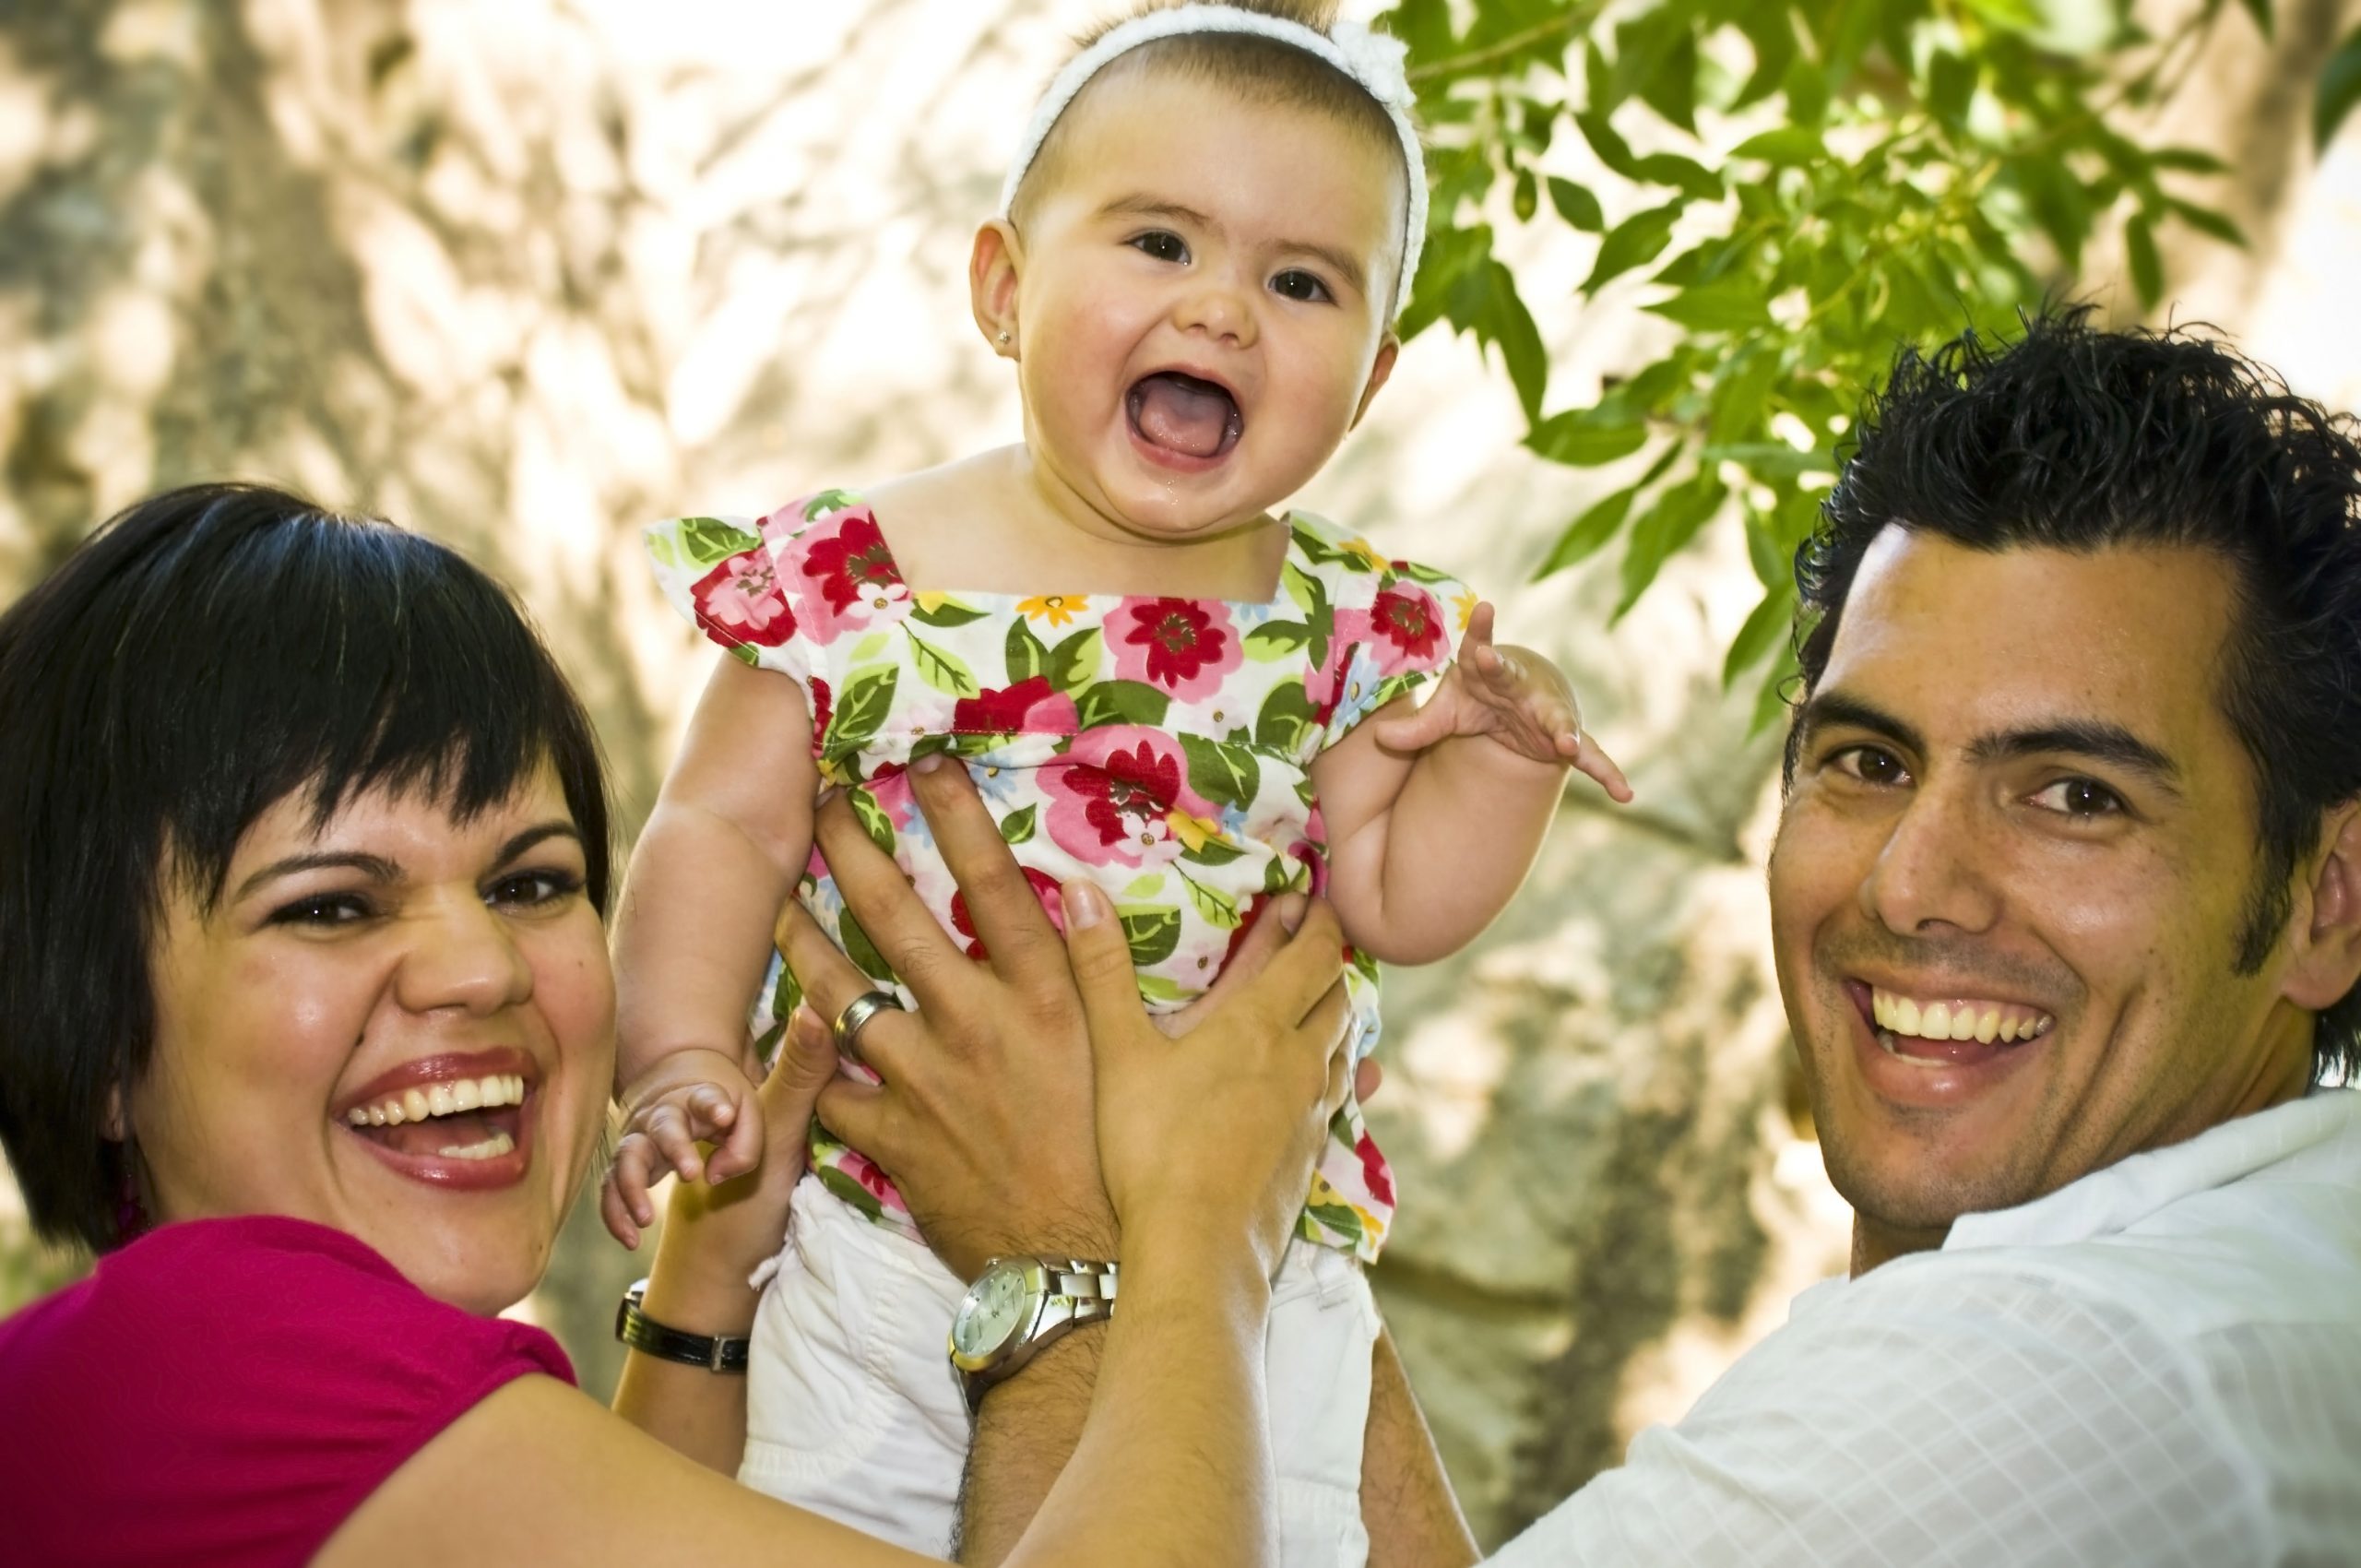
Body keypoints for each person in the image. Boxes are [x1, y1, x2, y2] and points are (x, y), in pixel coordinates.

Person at [821, 314, 2361, 1566]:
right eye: (1867, 762)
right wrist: (1238, 1213)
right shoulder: (2283, 1255)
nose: (1914, 884)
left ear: (2327, 897)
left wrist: (1082, 1253)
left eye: (2075, 795)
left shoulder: (2052, 1370)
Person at [603, 2, 1626, 1562]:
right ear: (1003, 288)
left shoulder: (1351, 631)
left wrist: (1498, 762)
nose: (1223, 311)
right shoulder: (858, 574)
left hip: (1256, 1268)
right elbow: (720, 824)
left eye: (1300, 282)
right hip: (878, 1236)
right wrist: (677, 1057)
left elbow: (1396, 902)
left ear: (1366, 382)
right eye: (1161, 243)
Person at [0, 481, 1366, 1567]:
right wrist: (1163, 1233)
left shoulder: (224, 1429)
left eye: (533, 883)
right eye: (331, 908)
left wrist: (709, 1288)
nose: (483, 968)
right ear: (97, 1021)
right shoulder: (217, 1350)